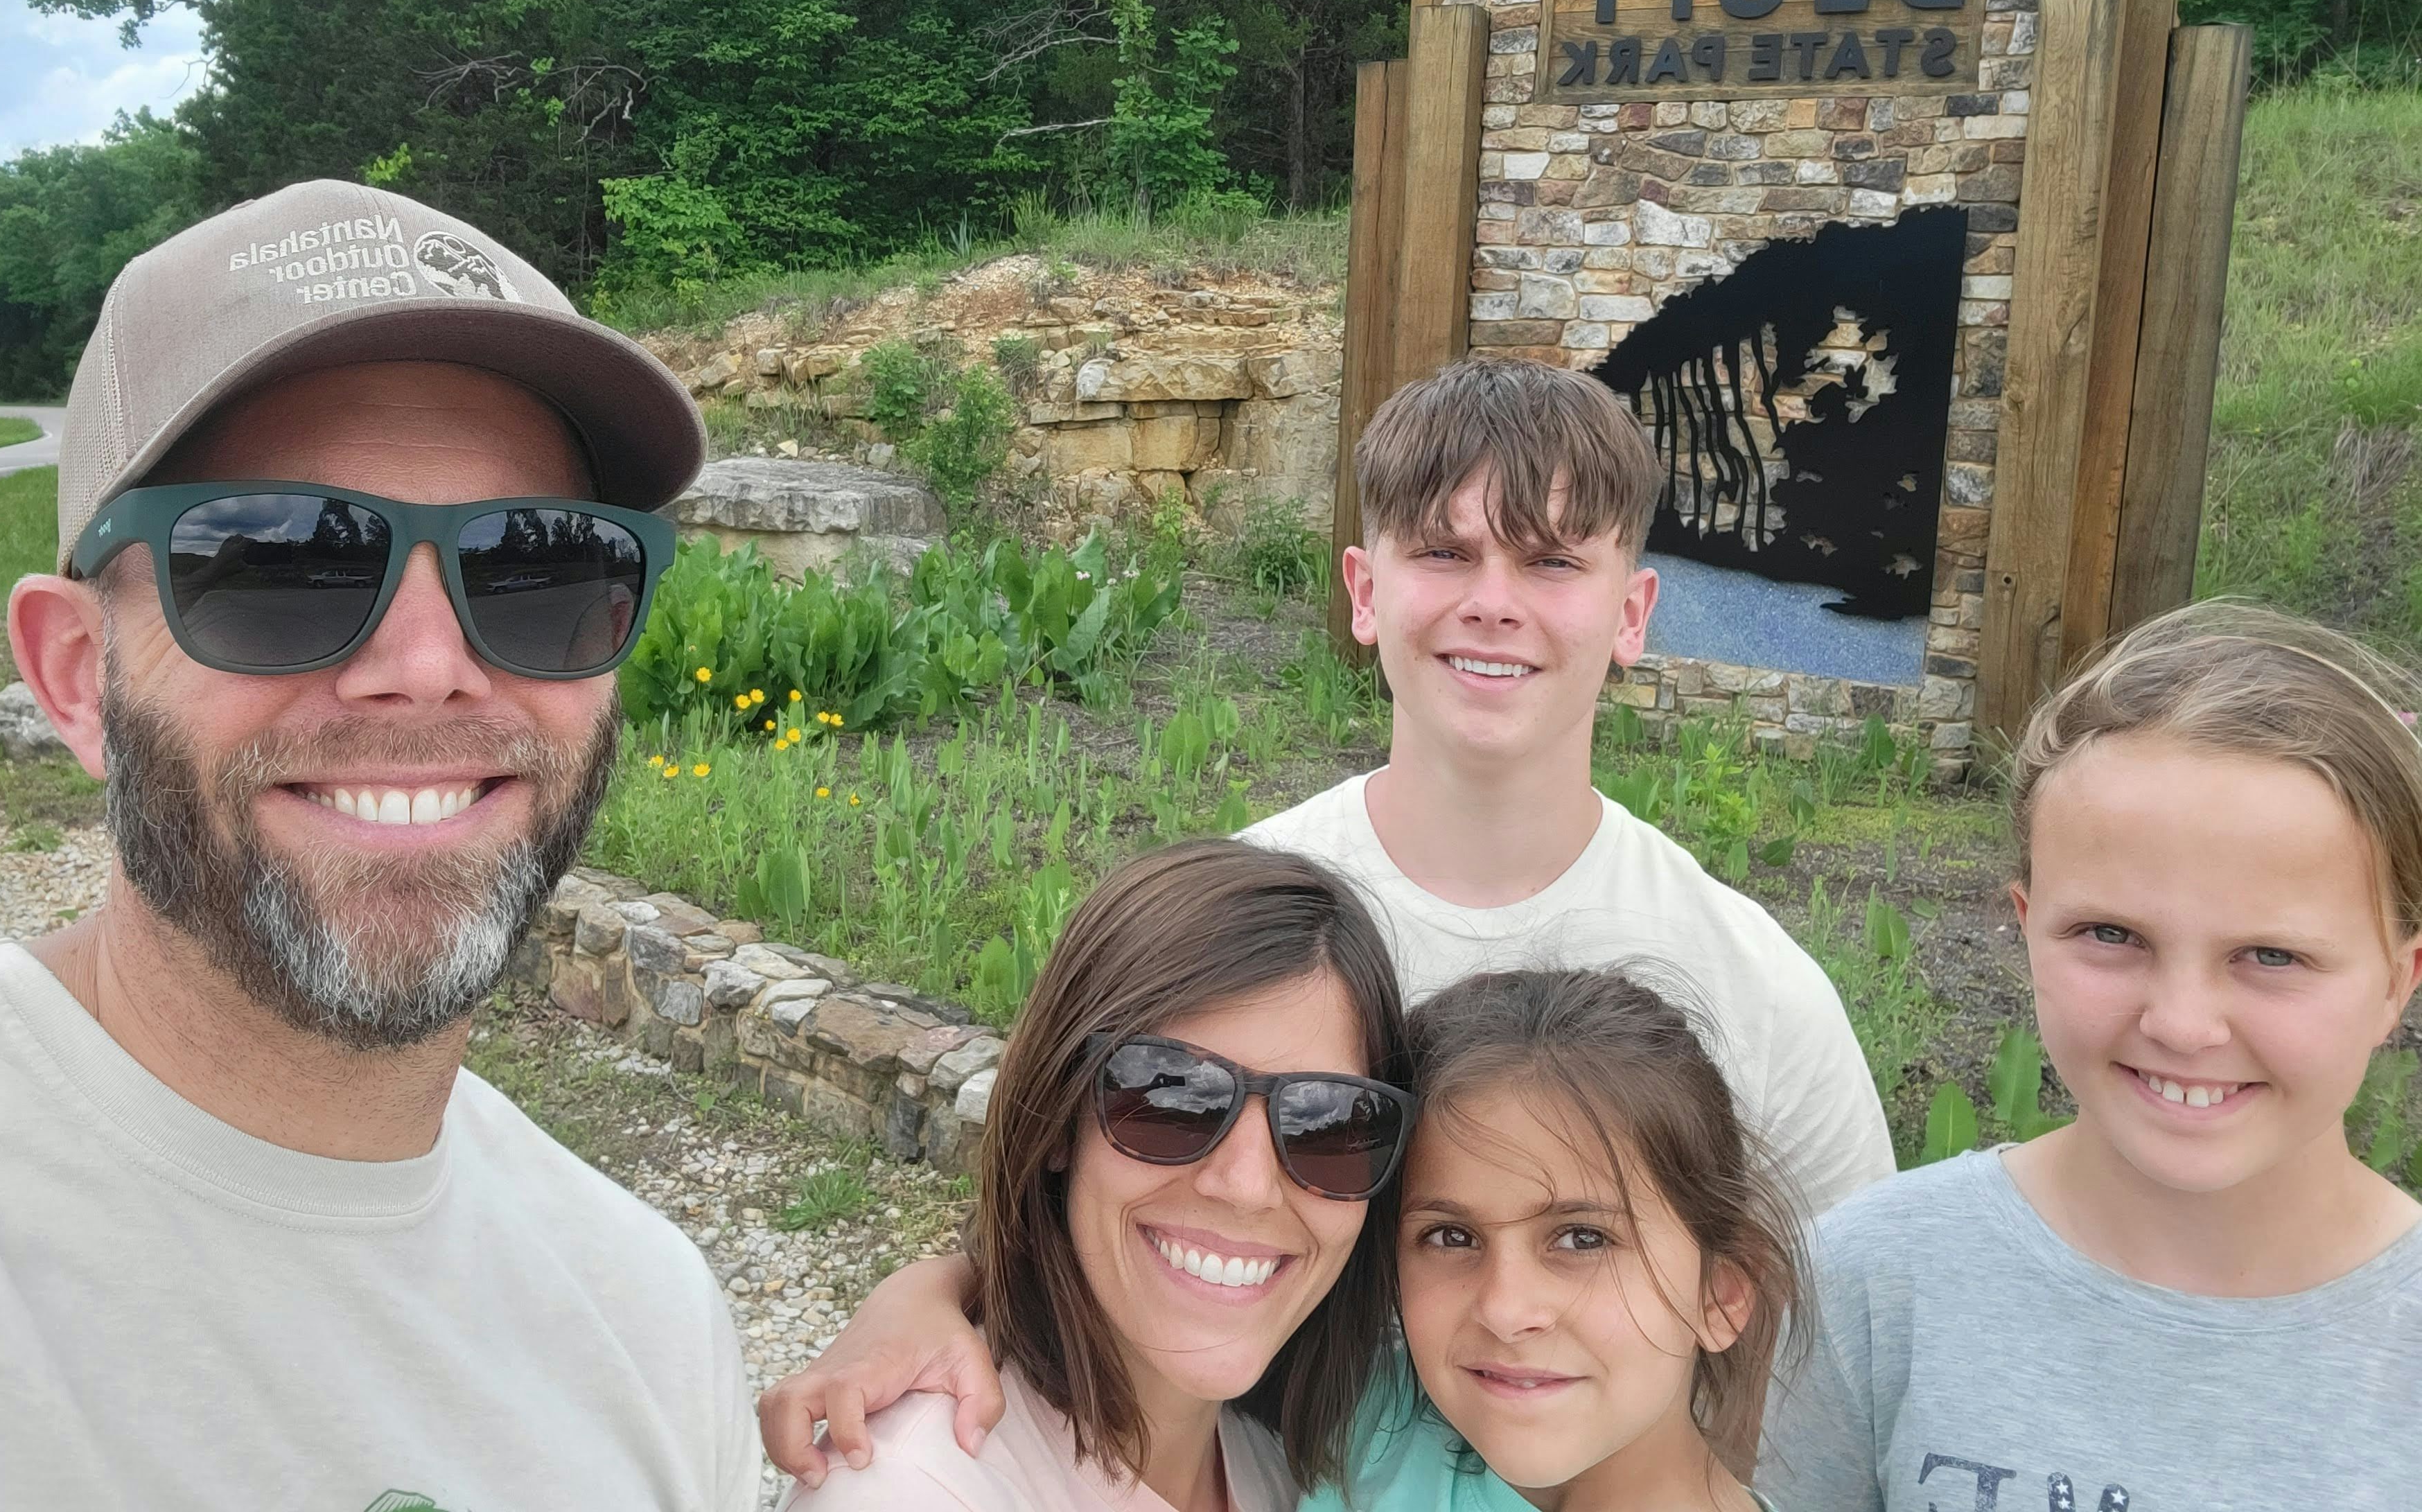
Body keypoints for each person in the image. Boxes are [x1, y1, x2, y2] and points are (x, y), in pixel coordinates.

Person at [766, 358, 1890, 1482]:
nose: (1491, 598)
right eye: (1443, 551)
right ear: (1362, 590)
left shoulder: (1756, 991)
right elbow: (1095, 1201)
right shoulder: (1250, 919)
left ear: (1630, 611)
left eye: (1549, 559)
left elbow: (1845, 1365)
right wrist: (925, 1290)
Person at [0, 181, 762, 1508]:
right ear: (77, 675)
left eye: (538, 567)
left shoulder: (652, 1322)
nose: (426, 671)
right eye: (279, 562)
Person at [1757, 604, 2422, 1511]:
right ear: (2029, 931)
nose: (2184, 1024)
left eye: (2272, 956)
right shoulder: (1872, 1284)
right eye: (2110, 934)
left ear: (2398, 980)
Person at [782, 838, 1417, 1512]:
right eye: (1172, 1096)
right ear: (1059, 1121)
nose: (1248, 1185)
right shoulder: (915, 1492)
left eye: (1331, 1123)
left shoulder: (1287, 1472)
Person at [1310, 967, 1805, 1512]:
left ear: (1720, 1295)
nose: (1505, 1309)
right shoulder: (1350, 1422)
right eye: (1452, 1236)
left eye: (1582, 1239)